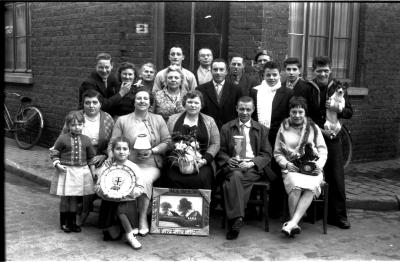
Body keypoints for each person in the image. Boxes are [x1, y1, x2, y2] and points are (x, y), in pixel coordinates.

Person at [109, 87, 171, 236]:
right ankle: (125, 219)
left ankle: (142, 217)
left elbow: (167, 141)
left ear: (150, 102)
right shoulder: (123, 120)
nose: (142, 101)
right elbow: (112, 143)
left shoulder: (158, 119)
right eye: (139, 98)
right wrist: (114, 159)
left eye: (145, 99)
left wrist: (153, 150)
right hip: (127, 164)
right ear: (134, 101)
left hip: (150, 164)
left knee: (143, 179)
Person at [216, 96, 276, 240]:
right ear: (236, 108)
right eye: (241, 109)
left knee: (231, 183)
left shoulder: (261, 129)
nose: (244, 112)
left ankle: (234, 219)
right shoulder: (226, 128)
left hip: (252, 168)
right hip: (233, 166)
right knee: (235, 176)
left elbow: (267, 153)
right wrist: (228, 160)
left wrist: (251, 163)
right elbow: (220, 150)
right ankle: (238, 218)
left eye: (248, 109)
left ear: (253, 110)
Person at [305, 56, 353, 229]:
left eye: (326, 70)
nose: (323, 74)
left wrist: (336, 108)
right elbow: (304, 113)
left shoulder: (338, 87)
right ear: (313, 71)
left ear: (330, 70)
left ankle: (338, 216)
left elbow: (349, 112)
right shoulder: (307, 87)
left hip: (333, 137)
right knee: (313, 173)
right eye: (319, 70)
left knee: (336, 177)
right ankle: (314, 213)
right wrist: (319, 129)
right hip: (313, 137)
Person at [59, 89, 115, 226]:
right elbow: (62, 138)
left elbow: (113, 142)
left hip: (99, 157)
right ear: (83, 104)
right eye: (87, 102)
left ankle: (85, 210)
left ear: (100, 104)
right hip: (77, 157)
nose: (91, 105)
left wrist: (105, 155)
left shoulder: (107, 118)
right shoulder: (75, 117)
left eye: (95, 102)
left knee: (96, 176)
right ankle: (77, 212)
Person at [274, 96, 328, 237]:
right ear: (289, 112)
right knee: (296, 187)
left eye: (300, 112)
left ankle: (291, 223)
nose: (297, 115)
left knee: (310, 188)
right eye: (294, 112)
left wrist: (319, 164)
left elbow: (323, 150)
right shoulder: (283, 128)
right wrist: (286, 164)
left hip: (312, 169)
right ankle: (295, 223)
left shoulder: (313, 128)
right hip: (292, 168)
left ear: (305, 113)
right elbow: (277, 152)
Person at [250, 61, 294, 218]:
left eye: (274, 74)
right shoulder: (255, 91)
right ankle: (253, 210)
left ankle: (276, 210)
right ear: (263, 75)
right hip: (257, 136)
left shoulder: (287, 93)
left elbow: (289, 117)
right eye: (268, 74)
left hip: (278, 137)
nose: (271, 77)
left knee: (277, 171)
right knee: (255, 167)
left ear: (280, 74)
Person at [49, 110, 96, 233]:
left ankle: (72, 222)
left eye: (79, 124)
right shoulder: (62, 138)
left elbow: (91, 157)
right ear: (68, 125)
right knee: (65, 198)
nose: (77, 127)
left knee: (74, 198)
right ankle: (64, 223)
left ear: (83, 125)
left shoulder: (86, 139)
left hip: (80, 172)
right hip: (66, 171)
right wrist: (57, 164)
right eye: (73, 125)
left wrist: (93, 171)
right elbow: (55, 152)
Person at [95, 137, 144, 249]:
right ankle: (119, 228)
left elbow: (140, 187)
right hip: (109, 202)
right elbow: (98, 186)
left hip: (126, 201)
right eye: (118, 149)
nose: (121, 151)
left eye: (125, 148)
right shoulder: (107, 167)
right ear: (112, 151)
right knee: (114, 236)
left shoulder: (133, 167)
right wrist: (104, 192)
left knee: (120, 210)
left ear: (129, 151)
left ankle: (130, 236)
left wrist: (130, 192)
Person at [164, 90, 220, 189]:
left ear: (201, 105)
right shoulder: (172, 119)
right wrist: (177, 159)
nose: (193, 105)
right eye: (189, 102)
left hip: (202, 163)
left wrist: (204, 160)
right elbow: (167, 140)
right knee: (172, 178)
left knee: (202, 178)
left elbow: (215, 144)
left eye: (196, 103)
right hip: (176, 163)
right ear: (184, 104)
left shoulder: (210, 121)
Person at [196, 58, 243, 129]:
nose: (218, 72)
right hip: (207, 129)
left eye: (221, 69)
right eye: (215, 69)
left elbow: (239, 111)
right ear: (211, 71)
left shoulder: (236, 89)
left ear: (226, 71)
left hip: (230, 129)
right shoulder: (201, 89)